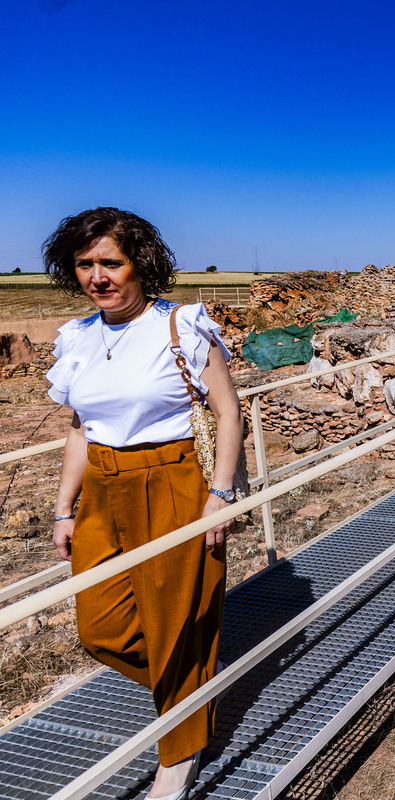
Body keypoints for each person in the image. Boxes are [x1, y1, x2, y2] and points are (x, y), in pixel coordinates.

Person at [43, 207, 241, 800]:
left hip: (172, 480)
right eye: (85, 264)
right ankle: (192, 690)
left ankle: (178, 758)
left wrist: (221, 495)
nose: (98, 276)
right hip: (102, 487)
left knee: (172, 617)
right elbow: (81, 427)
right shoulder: (79, 336)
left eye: (111, 262)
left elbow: (228, 411)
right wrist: (63, 507)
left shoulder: (181, 325)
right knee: (99, 627)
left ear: (140, 264)